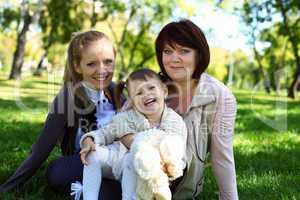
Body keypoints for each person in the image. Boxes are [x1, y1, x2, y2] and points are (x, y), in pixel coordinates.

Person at [121, 19, 239, 199]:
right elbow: (120, 127)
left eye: (184, 51)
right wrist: (146, 152)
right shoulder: (150, 86)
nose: (174, 59)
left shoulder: (220, 96)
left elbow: (222, 157)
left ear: (198, 55)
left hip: (180, 188)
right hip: (131, 175)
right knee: (70, 174)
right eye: (168, 51)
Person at [0, 30, 124, 199]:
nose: (102, 70)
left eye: (108, 62)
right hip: (84, 161)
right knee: (56, 172)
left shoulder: (116, 92)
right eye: (91, 64)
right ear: (77, 66)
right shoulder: (68, 98)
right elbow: (40, 150)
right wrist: (8, 186)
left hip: (118, 160)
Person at [79, 68, 187, 200]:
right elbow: (105, 132)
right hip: (116, 160)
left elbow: (176, 151)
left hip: (144, 171)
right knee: (92, 155)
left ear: (164, 91)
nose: (146, 94)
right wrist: (89, 139)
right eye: (139, 93)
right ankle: (89, 197)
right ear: (132, 102)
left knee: (133, 158)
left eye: (151, 88)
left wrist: (165, 164)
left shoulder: (174, 121)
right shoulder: (127, 117)